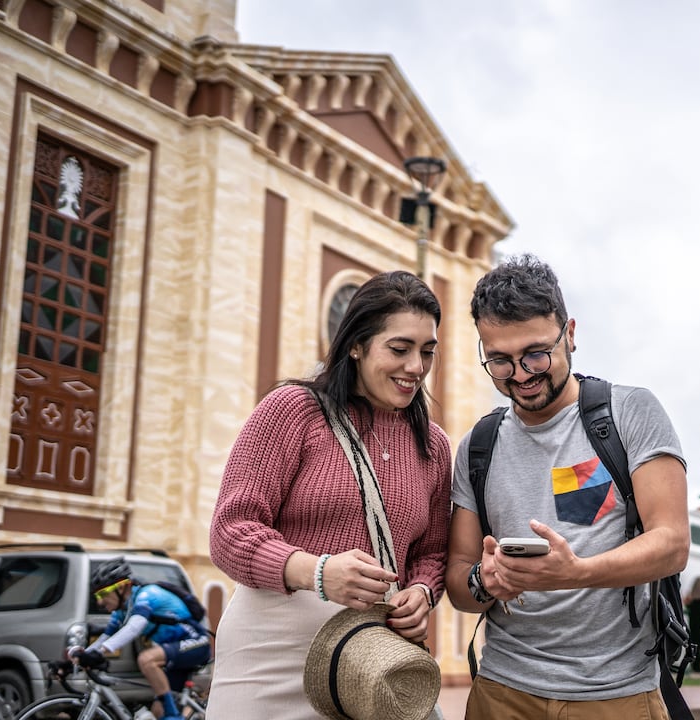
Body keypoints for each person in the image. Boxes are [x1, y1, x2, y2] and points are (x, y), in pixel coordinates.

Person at [445, 254, 690, 718]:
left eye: (536, 353)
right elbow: (458, 579)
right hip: (501, 691)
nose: (520, 374)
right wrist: (486, 580)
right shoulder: (477, 446)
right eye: (499, 360)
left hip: (616, 692)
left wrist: (576, 573)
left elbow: (672, 544)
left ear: (570, 333)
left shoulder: (630, 413)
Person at [207, 271, 451, 719]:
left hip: (374, 660)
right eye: (399, 349)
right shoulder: (292, 411)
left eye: (427, 351)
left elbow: (433, 552)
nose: (416, 366)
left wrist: (420, 591)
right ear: (356, 345)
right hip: (271, 657)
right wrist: (317, 572)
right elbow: (229, 531)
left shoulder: (432, 446)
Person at [70, 559, 211, 720]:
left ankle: (174, 715)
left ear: (122, 586)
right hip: (174, 653)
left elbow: (134, 628)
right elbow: (105, 638)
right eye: (96, 596)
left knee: (146, 659)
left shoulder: (148, 594)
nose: (100, 602)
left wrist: (101, 652)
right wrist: (79, 657)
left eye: (103, 594)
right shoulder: (121, 611)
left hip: (197, 644)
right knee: (158, 713)